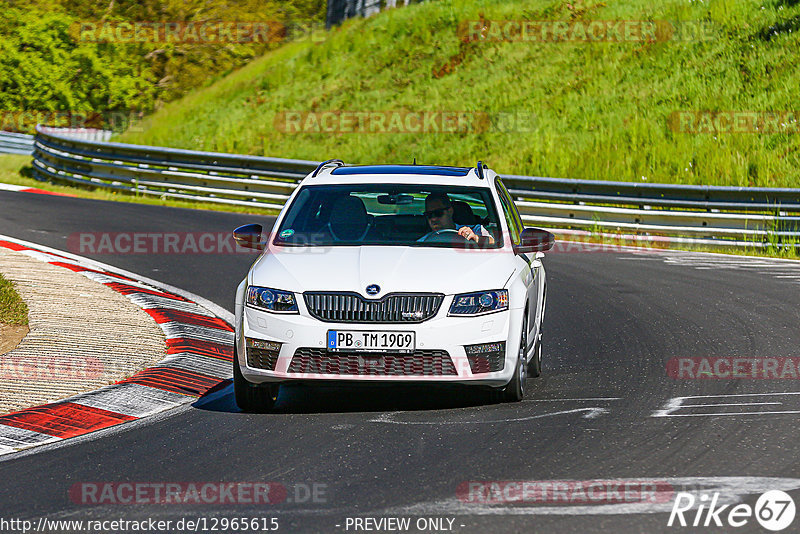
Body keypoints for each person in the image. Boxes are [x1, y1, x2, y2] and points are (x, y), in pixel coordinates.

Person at [419, 192, 495, 244]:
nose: (433, 219)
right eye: (429, 215)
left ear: (450, 211)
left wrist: (476, 238)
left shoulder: (475, 229)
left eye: (438, 213)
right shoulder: (423, 241)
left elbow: (493, 242)